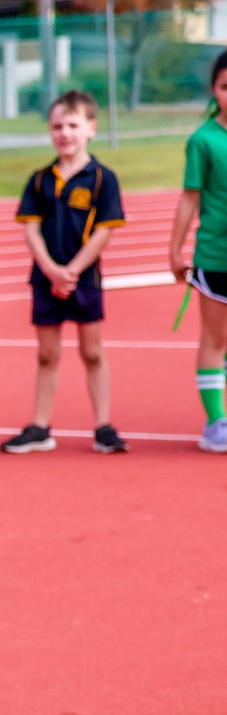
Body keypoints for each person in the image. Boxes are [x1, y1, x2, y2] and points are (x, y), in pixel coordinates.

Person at [2, 89, 128, 455]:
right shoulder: (40, 180)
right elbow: (30, 228)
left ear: (91, 128)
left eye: (73, 125)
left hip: (84, 280)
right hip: (46, 280)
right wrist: (51, 269)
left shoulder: (102, 179)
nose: (65, 133)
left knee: (92, 352)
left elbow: (104, 231)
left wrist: (71, 271)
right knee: (47, 354)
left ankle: (103, 427)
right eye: (57, 126)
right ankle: (40, 427)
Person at [169, 49, 227, 453]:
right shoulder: (203, 140)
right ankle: (216, 422)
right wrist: (175, 249)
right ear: (213, 90)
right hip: (216, 256)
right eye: (225, 86)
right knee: (214, 337)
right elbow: (190, 198)